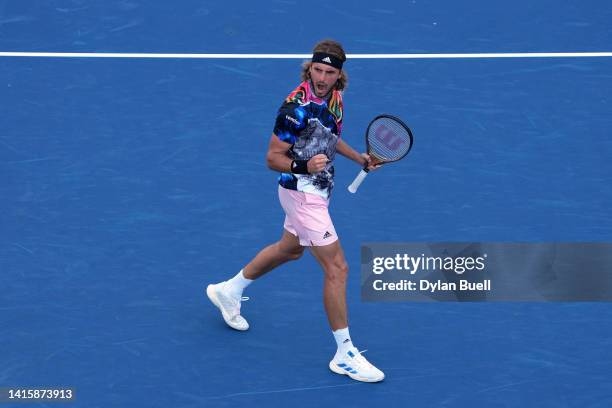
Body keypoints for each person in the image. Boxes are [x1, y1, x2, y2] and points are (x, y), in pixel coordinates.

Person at [206, 39, 384, 383]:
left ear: (339, 74)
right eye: (317, 69)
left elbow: (328, 136)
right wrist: (304, 166)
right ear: (309, 67)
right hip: (302, 192)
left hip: (318, 189)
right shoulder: (294, 109)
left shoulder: (335, 97)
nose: (321, 77)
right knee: (338, 268)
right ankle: (345, 354)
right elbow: (272, 158)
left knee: (290, 250)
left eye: (329, 72)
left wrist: (359, 157)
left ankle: (229, 290)